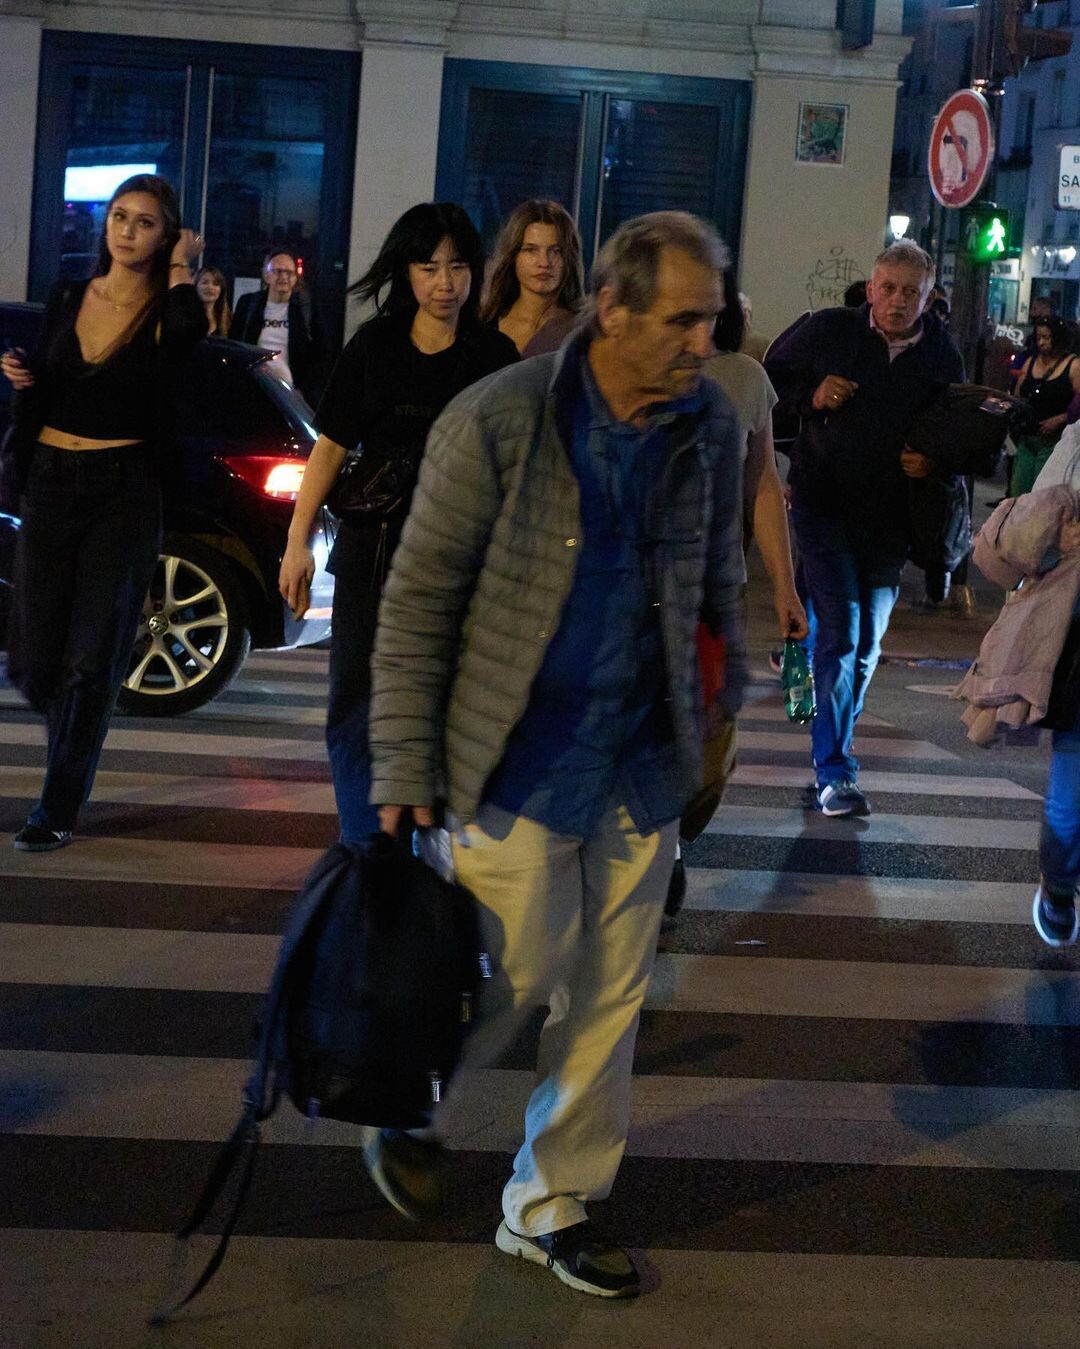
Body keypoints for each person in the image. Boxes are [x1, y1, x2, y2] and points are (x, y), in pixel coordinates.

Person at [364, 212, 747, 1298]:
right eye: (682, 320)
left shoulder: (710, 424)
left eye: (711, 318)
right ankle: (408, 1094)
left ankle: (547, 1203)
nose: (703, 342)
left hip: (642, 756)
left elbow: (716, 583)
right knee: (518, 965)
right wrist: (404, 765)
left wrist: (718, 721)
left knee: (611, 993)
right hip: (517, 755)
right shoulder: (501, 416)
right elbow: (418, 601)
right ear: (611, 309)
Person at [277, 203, 517, 844]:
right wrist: (297, 543)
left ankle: (428, 836)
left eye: (458, 266)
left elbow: (517, 464)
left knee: (447, 702)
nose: (445, 282)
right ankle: (367, 847)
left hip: (461, 555)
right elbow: (329, 448)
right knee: (357, 701)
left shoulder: (494, 355)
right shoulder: (374, 346)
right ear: (405, 271)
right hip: (374, 549)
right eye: (428, 266)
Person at [0, 174, 206, 851]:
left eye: (145, 222)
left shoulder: (166, 309)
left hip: (123, 492)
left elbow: (189, 335)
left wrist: (182, 266)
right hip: (50, 483)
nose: (127, 231)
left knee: (91, 662)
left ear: (165, 235)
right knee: (34, 660)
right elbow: (48, 377)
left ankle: (57, 805)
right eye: (119, 216)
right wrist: (24, 373)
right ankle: (69, 744)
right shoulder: (69, 293)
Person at [765, 241, 964, 818]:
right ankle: (834, 771)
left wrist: (933, 461)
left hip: (891, 520)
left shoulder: (941, 356)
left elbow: (959, 434)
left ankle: (815, 701)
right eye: (889, 288)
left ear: (928, 297)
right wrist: (812, 396)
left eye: (911, 292)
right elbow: (768, 390)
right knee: (844, 632)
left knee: (867, 644)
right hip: (823, 506)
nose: (898, 301)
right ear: (871, 288)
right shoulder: (829, 330)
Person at [663, 267, 809, 922]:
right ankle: (656, 854)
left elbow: (763, 486)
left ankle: (671, 835)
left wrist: (786, 588)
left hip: (716, 587)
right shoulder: (626, 369)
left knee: (713, 736)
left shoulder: (746, 379)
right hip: (640, 587)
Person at [479, 199, 584, 356]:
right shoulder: (484, 323)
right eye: (531, 250)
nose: (544, 263)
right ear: (513, 256)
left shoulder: (583, 330)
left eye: (555, 251)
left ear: (568, 258)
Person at [231, 250, 329, 406]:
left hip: (293, 395)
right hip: (253, 390)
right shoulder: (248, 304)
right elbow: (235, 344)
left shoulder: (307, 307)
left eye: (289, 272)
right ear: (266, 276)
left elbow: (322, 353)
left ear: (295, 277)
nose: (283, 277)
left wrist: (305, 391)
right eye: (278, 271)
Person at [1009, 315, 1080, 496]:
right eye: (1039, 337)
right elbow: (1018, 395)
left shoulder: (1073, 366)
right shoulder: (1030, 362)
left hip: (1053, 443)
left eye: (1047, 337)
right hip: (1027, 440)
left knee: (1041, 497)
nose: (1042, 342)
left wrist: (1060, 419)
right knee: (1018, 493)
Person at [194, 266, 231, 336]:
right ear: (195, 286)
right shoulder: (185, 317)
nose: (210, 287)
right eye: (204, 282)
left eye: (215, 284)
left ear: (221, 290)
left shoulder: (228, 320)